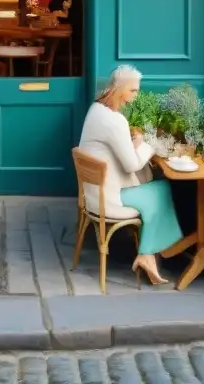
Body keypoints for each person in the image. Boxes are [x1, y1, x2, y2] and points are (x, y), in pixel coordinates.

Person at [77, 65, 183, 285]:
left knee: (155, 186)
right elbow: (131, 164)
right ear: (118, 88)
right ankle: (151, 253)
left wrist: (133, 143)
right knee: (162, 188)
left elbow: (116, 150)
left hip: (94, 193)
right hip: (110, 198)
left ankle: (150, 253)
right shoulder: (115, 120)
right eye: (133, 91)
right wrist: (150, 146)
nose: (136, 95)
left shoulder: (96, 109)